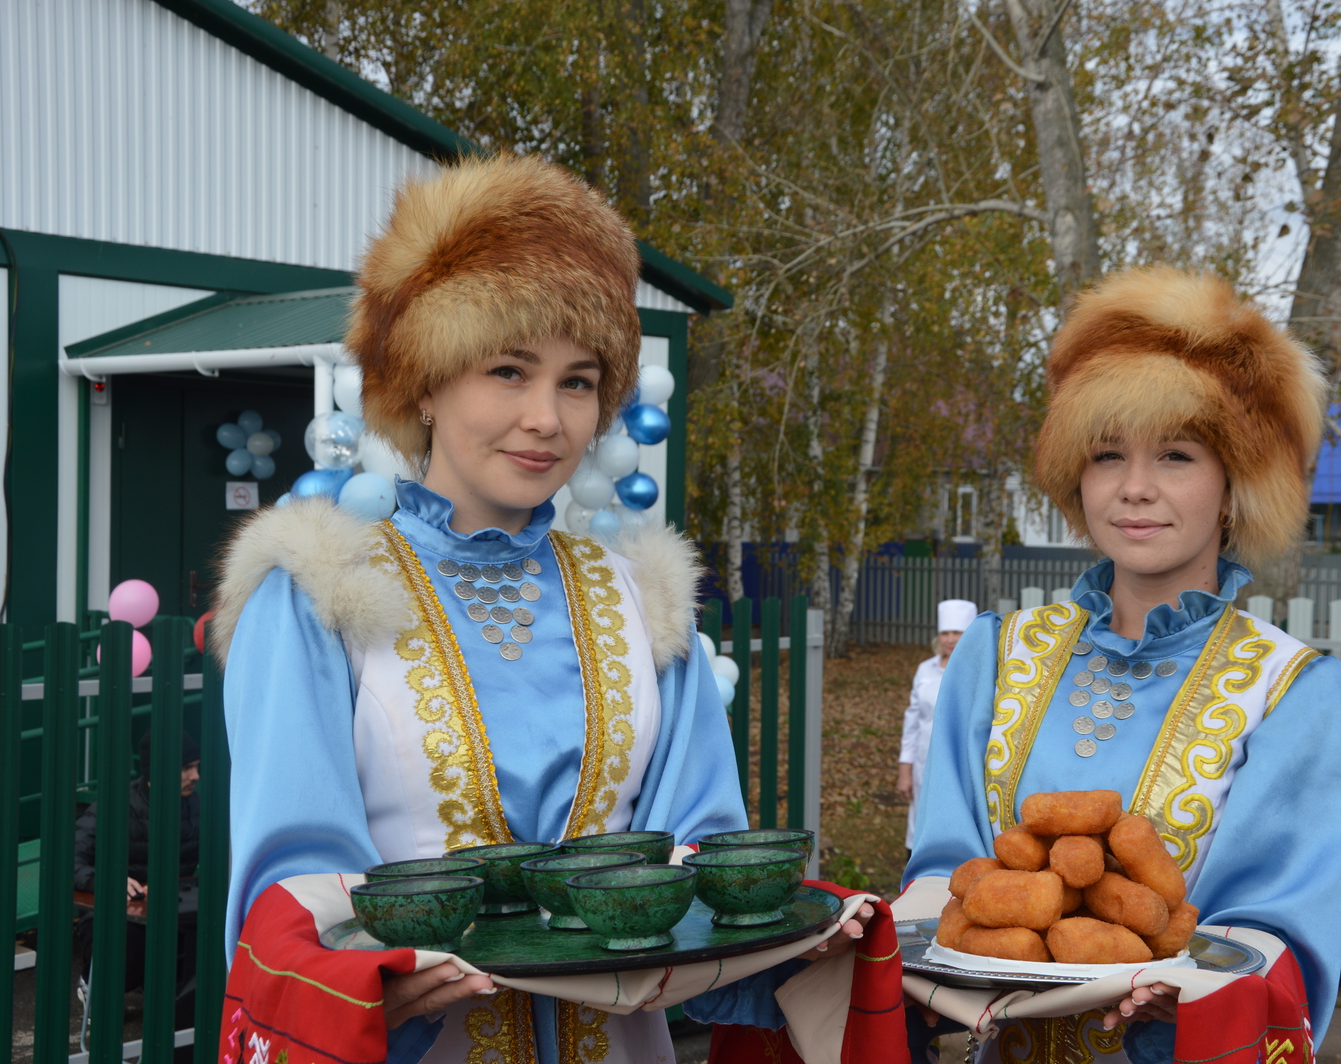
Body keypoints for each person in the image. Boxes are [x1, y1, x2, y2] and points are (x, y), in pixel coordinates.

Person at [213, 154, 867, 1064]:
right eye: (509, 370)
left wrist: (792, 936)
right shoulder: (322, 589)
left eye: (578, 380)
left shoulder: (643, 600)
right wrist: (371, 980)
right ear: (426, 382)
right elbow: (292, 883)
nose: (548, 419)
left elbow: (702, 856)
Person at [903, 267, 1341, 1064]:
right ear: (1076, 474)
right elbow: (945, 872)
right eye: (1108, 454)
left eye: (1177, 456)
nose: (1136, 489)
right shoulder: (994, 653)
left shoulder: (1291, 689)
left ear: (1232, 487)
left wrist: (1196, 985)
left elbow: (1279, 922)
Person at [72, 729, 202, 1029]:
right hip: (119, 914)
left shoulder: (195, 806)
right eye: (186, 768)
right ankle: (96, 984)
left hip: (174, 911)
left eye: (196, 766)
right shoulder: (116, 805)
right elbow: (71, 856)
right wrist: (107, 881)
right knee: (125, 942)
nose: (195, 776)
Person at [898, 599, 977, 850]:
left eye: (957, 633)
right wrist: (905, 769)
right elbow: (913, 720)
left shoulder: (980, 671)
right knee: (922, 817)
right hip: (925, 760)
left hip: (963, 759)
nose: (950, 639)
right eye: (945, 633)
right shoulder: (925, 670)